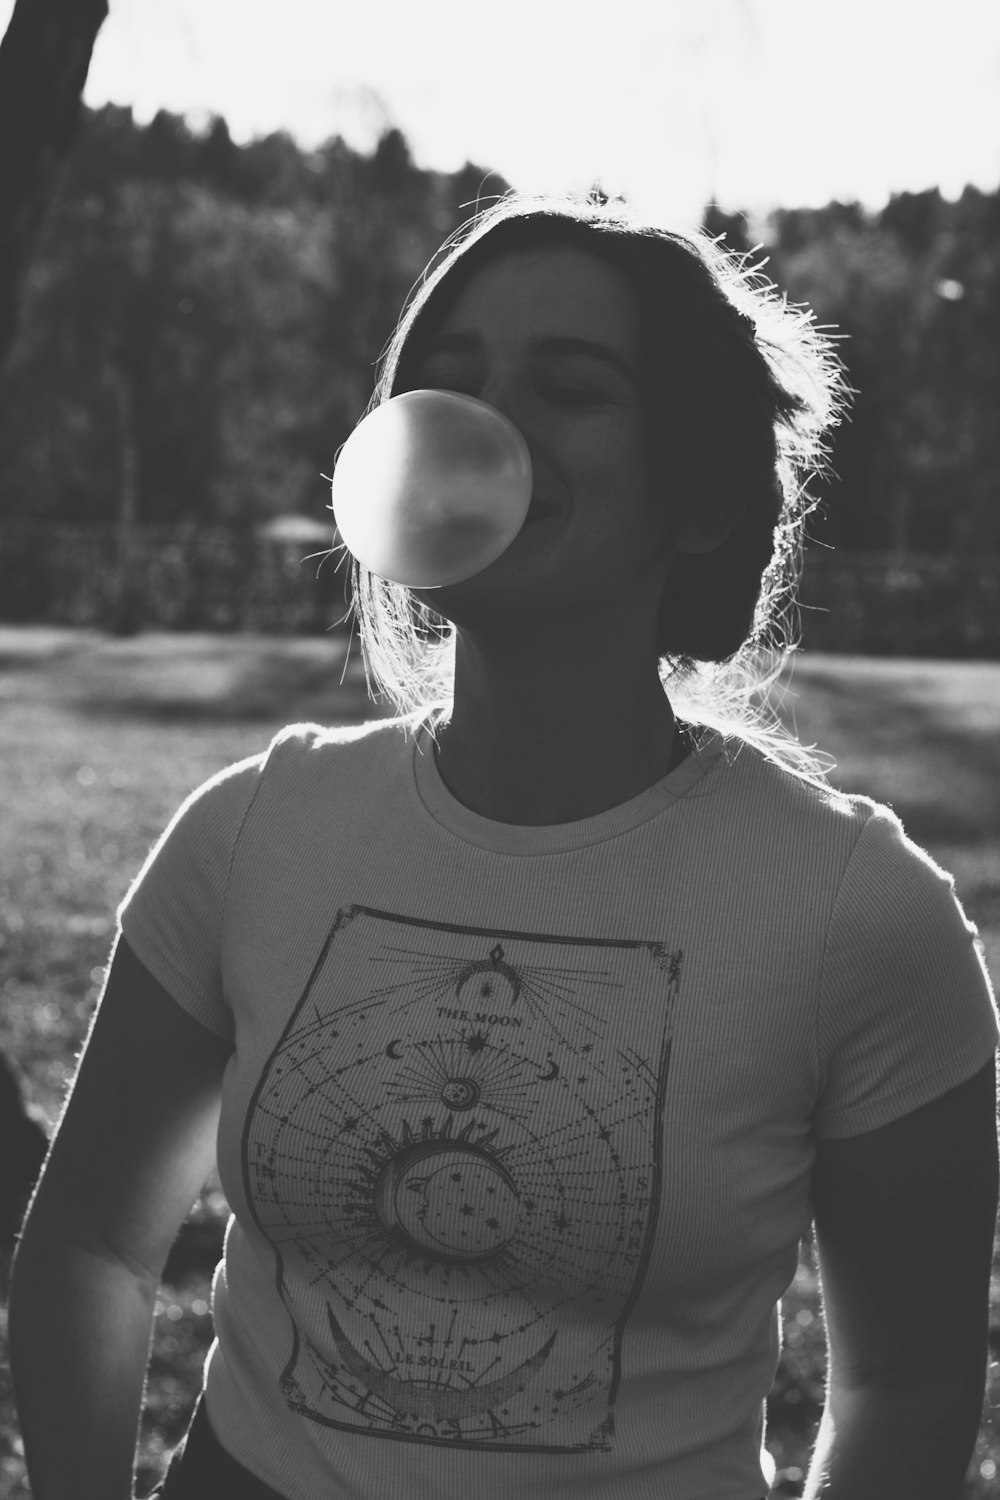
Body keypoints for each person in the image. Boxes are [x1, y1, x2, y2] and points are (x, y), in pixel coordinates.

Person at [10, 192, 999, 1500]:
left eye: (572, 386)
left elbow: (908, 1385)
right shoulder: (253, 831)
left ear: (697, 495)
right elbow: (93, 1240)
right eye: (451, 378)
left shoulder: (859, 917)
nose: (481, 424)